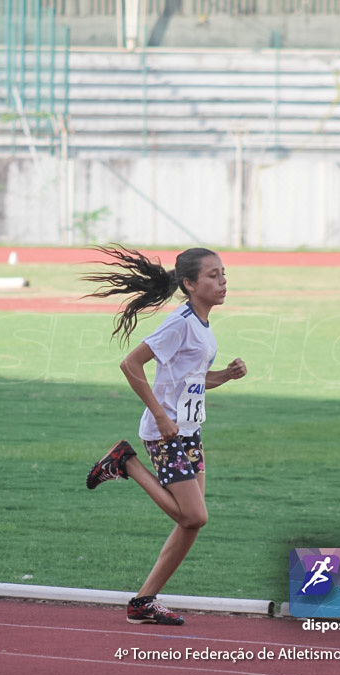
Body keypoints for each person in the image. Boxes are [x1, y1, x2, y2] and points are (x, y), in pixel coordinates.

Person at [83, 245, 247, 626]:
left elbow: (192, 382)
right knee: (195, 516)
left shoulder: (202, 325)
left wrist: (226, 375)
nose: (222, 281)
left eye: (223, 274)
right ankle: (124, 463)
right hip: (165, 434)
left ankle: (143, 602)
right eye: (212, 275)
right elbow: (131, 364)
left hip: (189, 431)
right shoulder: (180, 323)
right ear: (189, 284)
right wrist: (160, 416)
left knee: (189, 524)